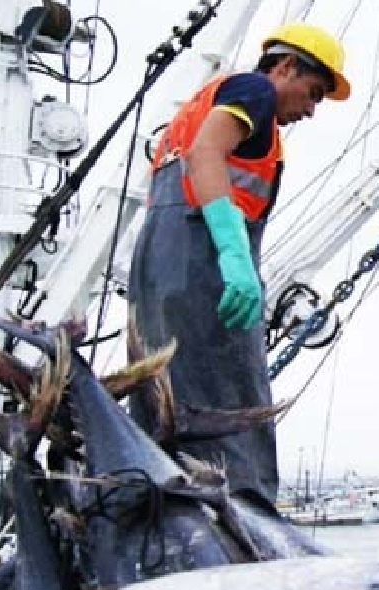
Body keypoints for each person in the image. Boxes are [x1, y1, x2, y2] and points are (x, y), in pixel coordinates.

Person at [127, 23, 351, 507]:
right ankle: (243, 519)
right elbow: (206, 154)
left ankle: (162, 508)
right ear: (285, 66)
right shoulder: (253, 91)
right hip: (200, 263)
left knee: (163, 398)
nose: (311, 111)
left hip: (162, 265)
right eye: (312, 93)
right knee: (233, 400)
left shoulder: (209, 104)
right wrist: (233, 256)